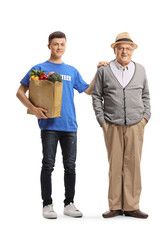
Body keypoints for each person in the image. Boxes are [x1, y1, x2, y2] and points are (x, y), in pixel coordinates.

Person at [16, 31, 101, 219]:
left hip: (70, 126)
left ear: (65, 46)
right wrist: (33, 108)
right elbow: (20, 92)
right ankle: (47, 205)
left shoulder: (71, 70)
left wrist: (98, 70)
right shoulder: (39, 68)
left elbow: (88, 90)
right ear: (49, 46)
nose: (59, 47)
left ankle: (69, 204)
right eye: (55, 44)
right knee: (48, 165)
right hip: (49, 126)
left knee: (70, 166)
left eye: (62, 44)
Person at [92, 32, 151, 219]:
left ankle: (132, 206)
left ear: (132, 50)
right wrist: (102, 120)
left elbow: (146, 95)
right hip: (112, 124)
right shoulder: (104, 70)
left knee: (133, 164)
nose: (124, 51)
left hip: (136, 124)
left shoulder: (140, 70)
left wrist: (145, 117)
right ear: (115, 50)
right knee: (115, 164)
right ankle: (115, 205)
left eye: (128, 48)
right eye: (121, 48)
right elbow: (96, 96)